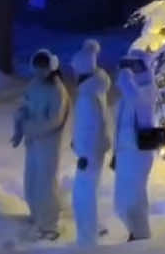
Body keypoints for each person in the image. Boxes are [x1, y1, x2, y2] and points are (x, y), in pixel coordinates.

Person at [12, 48, 69, 241]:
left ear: (51, 67)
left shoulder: (57, 90)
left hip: (48, 144)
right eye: (37, 68)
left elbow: (54, 120)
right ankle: (37, 215)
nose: (39, 72)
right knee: (32, 179)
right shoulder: (34, 85)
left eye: (43, 68)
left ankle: (50, 223)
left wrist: (30, 128)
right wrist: (19, 128)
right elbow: (23, 106)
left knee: (45, 182)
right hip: (33, 142)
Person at [69, 39, 111, 248]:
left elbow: (94, 126)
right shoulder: (94, 91)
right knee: (87, 193)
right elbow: (88, 126)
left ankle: (87, 240)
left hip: (89, 155)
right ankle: (94, 229)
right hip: (90, 151)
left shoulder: (88, 97)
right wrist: (76, 142)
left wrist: (84, 153)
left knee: (82, 197)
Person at [113, 52, 158, 241]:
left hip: (138, 154)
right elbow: (120, 126)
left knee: (132, 201)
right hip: (125, 153)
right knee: (122, 202)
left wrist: (126, 80)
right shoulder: (129, 94)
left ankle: (140, 239)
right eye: (126, 66)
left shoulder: (147, 91)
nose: (129, 71)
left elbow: (138, 103)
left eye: (134, 66)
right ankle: (137, 235)